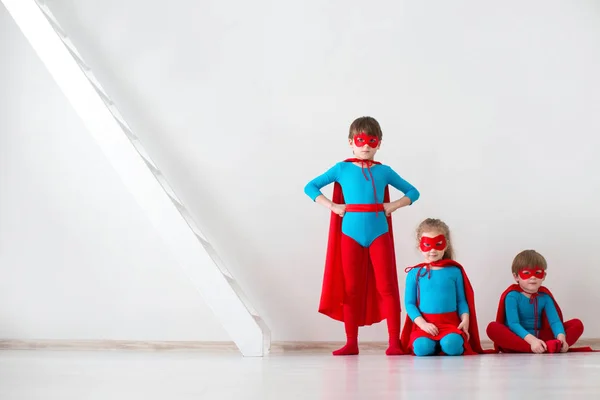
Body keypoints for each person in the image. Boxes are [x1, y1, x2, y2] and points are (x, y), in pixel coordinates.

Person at [304, 116, 420, 356]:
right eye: (360, 140)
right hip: (350, 233)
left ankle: (394, 343)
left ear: (379, 143)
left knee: (387, 287)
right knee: (351, 289)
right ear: (350, 142)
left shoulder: (384, 171)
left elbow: (413, 192)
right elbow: (310, 187)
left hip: (379, 232)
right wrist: (333, 206)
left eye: (371, 140)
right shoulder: (341, 168)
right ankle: (351, 343)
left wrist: (394, 205)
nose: (366, 145)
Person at [400, 218, 490, 356]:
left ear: (446, 245)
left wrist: (465, 319)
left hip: (450, 325)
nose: (433, 250)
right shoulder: (414, 274)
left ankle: (443, 345)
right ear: (419, 246)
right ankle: (434, 346)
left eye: (438, 244)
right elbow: (410, 303)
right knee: (422, 348)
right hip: (425, 326)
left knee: (452, 345)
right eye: (427, 245)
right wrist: (423, 324)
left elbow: (461, 300)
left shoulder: (454, 271)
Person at [486, 249, 594, 353]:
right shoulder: (512, 296)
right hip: (519, 337)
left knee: (577, 324)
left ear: (544, 276)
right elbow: (514, 324)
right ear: (516, 277)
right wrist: (532, 341)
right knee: (492, 328)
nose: (533, 277)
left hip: (542, 336)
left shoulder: (544, 297)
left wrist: (562, 338)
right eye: (527, 273)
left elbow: (555, 321)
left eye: (537, 273)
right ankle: (536, 347)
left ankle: (554, 345)